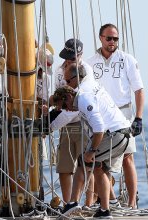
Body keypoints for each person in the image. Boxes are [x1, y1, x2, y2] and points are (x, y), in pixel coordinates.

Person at [55, 64, 131, 220]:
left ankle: (73, 203)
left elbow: (99, 129)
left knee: (84, 160)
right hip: (122, 133)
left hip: (115, 134)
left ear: (68, 98)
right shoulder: (87, 88)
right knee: (99, 167)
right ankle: (105, 210)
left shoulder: (84, 99)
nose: (66, 110)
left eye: (64, 106)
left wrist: (91, 151)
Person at [86, 23, 144, 208]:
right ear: (101, 38)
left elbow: (139, 90)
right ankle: (108, 201)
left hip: (124, 112)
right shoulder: (90, 63)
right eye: (109, 38)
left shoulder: (127, 59)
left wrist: (139, 118)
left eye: (116, 39)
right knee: (101, 158)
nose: (112, 42)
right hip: (101, 115)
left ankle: (132, 203)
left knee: (128, 157)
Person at [50, 38, 95, 207]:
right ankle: (68, 204)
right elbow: (58, 97)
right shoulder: (58, 71)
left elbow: (77, 105)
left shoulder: (86, 71)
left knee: (86, 165)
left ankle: (89, 204)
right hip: (65, 126)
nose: (68, 61)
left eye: (72, 57)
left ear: (81, 55)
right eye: (66, 57)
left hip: (82, 123)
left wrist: (52, 126)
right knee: (64, 167)